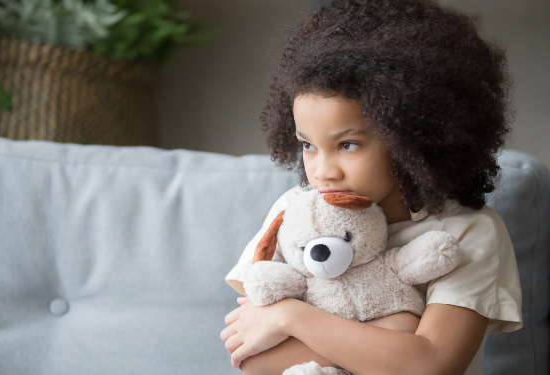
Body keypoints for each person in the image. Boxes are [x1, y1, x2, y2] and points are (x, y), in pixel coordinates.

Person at [220, 0, 523, 374]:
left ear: (412, 138)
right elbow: (252, 359)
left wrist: (291, 317)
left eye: (347, 145)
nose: (323, 172)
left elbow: (430, 366)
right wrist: (398, 334)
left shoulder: (467, 232)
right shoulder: (296, 211)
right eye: (308, 145)